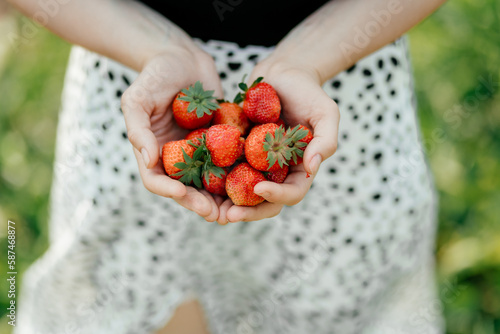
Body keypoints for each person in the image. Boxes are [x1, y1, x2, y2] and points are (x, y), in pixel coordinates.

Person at [10, 0, 447, 333]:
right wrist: (153, 48)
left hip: (342, 75)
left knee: (336, 293)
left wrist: (310, 59)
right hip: (141, 83)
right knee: (133, 292)